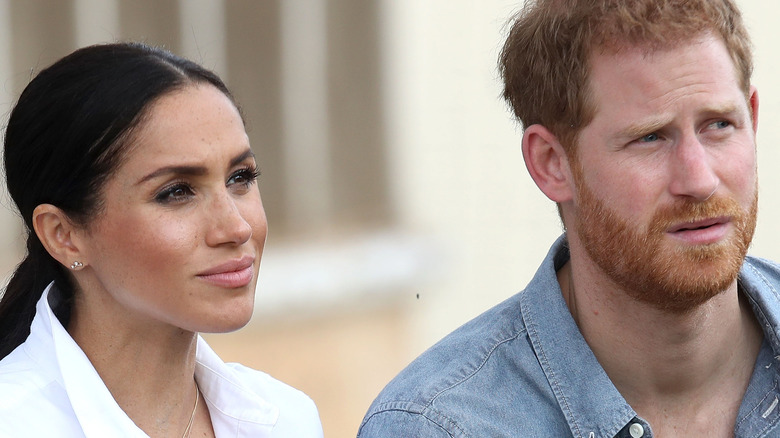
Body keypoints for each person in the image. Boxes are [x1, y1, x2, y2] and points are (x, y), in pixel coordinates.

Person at [359, 0, 779, 436]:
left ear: (752, 117)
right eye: (650, 137)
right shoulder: (439, 427)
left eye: (719, 125)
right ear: (551, 163)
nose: (699, 179)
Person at [0, 42, 323, 437]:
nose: (237, 228)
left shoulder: (286, 420)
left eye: (241, 177)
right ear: (63, 235)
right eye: (176, 192)